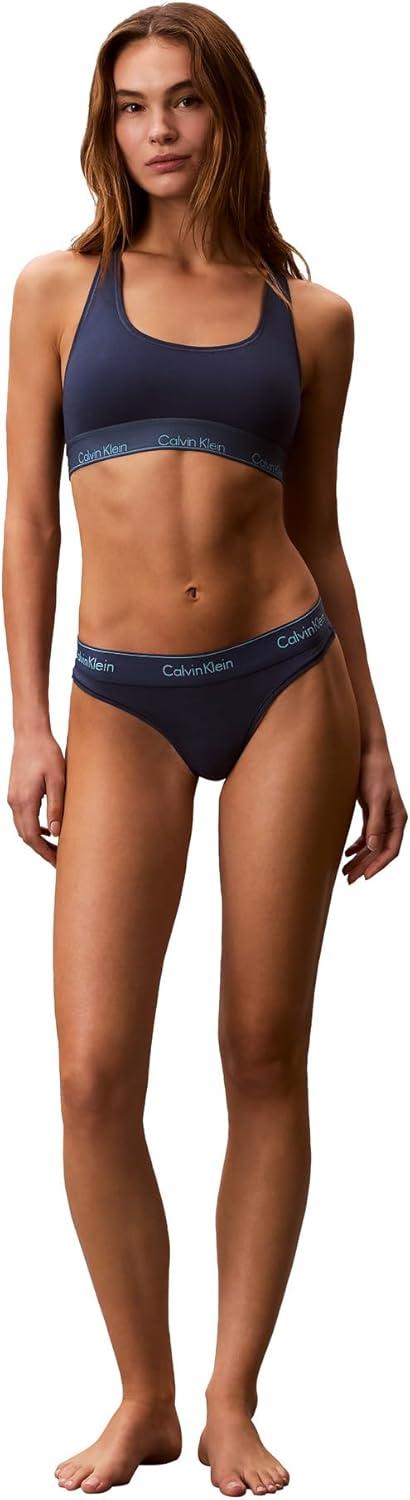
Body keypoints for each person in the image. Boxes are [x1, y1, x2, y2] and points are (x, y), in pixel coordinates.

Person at [3, 4, 407, 1496]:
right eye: (131, 105)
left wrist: (374, 736)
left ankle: (233, 1398)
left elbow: (321, 532)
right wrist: (29, 718)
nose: (159, 129)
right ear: (105, 128)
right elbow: (27, 516)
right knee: (94, 1071)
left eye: (184, 100)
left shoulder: (315, 317)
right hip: (119, 698)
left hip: (290, 679)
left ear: (230, 113)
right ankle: (146, 1396)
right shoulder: (60, 290)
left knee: (260, 1045)